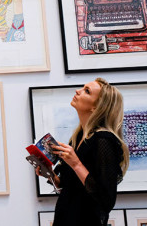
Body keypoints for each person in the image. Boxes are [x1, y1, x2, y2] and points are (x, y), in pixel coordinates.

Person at [37, 78, 130, 226]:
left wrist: (76, 164)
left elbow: (106, 200)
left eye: (87, 91)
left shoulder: (104, 141)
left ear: (96, 106)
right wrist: (50, 174)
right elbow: (70, 188)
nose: (77, 91)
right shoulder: (78, 138)